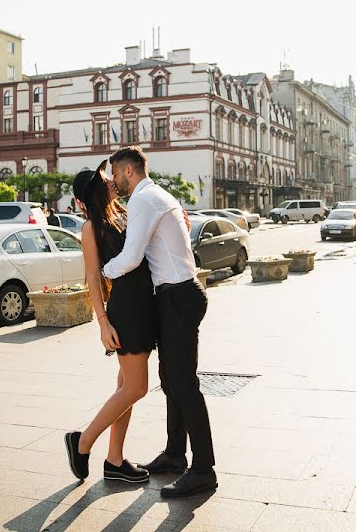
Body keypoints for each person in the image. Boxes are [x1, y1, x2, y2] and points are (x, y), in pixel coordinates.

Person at [102, 146, 217, 498]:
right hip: (176, 294)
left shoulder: (143, 199)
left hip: (178, 295)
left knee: (183, 384)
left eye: (115, 174)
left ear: (128, 171)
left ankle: (203, 469)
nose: (114, 182)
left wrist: (100, 273)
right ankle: (174, 455)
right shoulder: (155, 194)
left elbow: (132, 256)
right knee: (171, 380)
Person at [64, 160, 158, 484]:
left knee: (124, 387)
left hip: (144, 305)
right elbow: (92, 277)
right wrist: (102, 322)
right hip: (125, 310)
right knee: (136, 387)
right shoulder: (91, 227)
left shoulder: (124, 212)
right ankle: (83, 442)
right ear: (93, 191)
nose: (111, 180)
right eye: (105, 179)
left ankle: (114, 460)